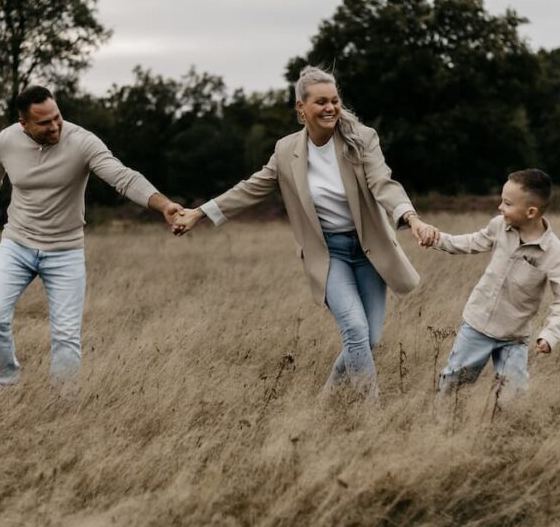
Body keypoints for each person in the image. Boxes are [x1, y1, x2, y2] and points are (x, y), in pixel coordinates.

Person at [172, 66, 438, 399]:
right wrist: (200, 212)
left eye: (335, 101)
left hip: (370, 251)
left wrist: (411, 218)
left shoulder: (362, 139)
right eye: (321, 102)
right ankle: (373, 414)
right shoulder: (286, 151)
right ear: (301, 108)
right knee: (354, 331)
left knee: (368, 340)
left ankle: (325, 399)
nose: (330, 108)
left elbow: (384, 184)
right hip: (329, 255)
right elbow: (251, 188)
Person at [0, 85, 183, 387]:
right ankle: (6, 385)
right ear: (24, 123)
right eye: (44, 122)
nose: (55, 126)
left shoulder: (82, 142)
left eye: (57, 117)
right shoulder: (4, 143)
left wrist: (164, 205)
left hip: (65, 251)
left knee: (65, 335)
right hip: (17, 245)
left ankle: (63, 405)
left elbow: (123, 177)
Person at [424, 169, 560, 396]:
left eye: (507, 203)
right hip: (478, 325)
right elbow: (470, 242)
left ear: (531, 211)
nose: (500, 207)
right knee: (453, 386)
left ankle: (504, 429)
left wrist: (550, 335)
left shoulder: (554, 252)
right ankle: (440, 425)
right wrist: (437, 239)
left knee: (512, 396)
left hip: (514, 337)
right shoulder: (499, 226)